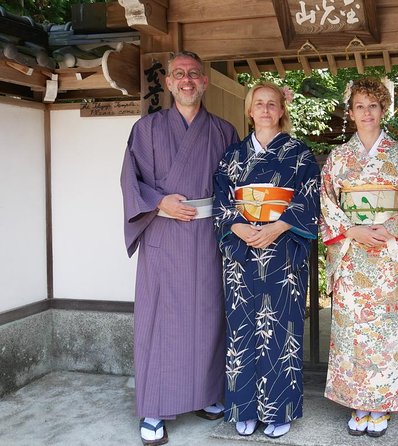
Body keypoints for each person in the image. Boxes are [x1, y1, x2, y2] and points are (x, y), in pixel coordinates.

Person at [120, 51, 239, 446]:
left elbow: (237, 187)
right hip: (163, 234)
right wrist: (159, 202)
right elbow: (130, 180)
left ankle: (206, 395)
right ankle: (154, 406)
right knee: (160, 320)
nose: (186, 81)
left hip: (207, 236)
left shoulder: (223, 131)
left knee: (208, 316)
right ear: (169, 83)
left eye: (193, 74)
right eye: (178, 75)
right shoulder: (147, 129)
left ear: (204, 82)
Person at [212, 81, 320, 439]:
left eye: (272, 103)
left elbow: (309, 200)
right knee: (242, 328)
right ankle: (243, 407)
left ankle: (279, 409)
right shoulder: (233, 155)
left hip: (282, 251)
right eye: (259, 103)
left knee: (282, 330)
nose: (265, 109)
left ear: (281, 110)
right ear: (249, 110)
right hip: (242, 254)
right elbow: (221, 198)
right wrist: (238, 227)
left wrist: (278, 227)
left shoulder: (300, 154)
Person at [320, 78, 398, 438]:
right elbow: (328, 204)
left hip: (388, 254)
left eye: (373, 106)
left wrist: (390, 230)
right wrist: (352, 231)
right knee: (351, 332)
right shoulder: (338, 158)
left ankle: (380, 405)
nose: (366, 112)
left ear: (383, 111)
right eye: (359, 106)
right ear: (350, 113)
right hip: (351, 253)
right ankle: (357, 403)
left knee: (385, 332)